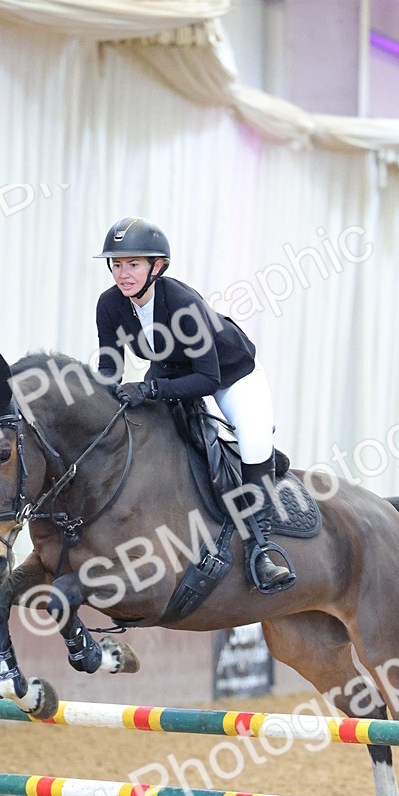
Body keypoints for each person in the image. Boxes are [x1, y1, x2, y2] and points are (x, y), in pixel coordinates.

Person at [94, 216, 294, 594]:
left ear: (157, 266)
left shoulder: (183, 304)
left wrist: (150, 391)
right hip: (171, 370)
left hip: (231, 374)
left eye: (133, 264)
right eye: (117, 265)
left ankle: (260, 549)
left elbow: (208, 380)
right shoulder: (110, 305)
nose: (123, 274)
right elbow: (110, 366)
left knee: (252, 439)